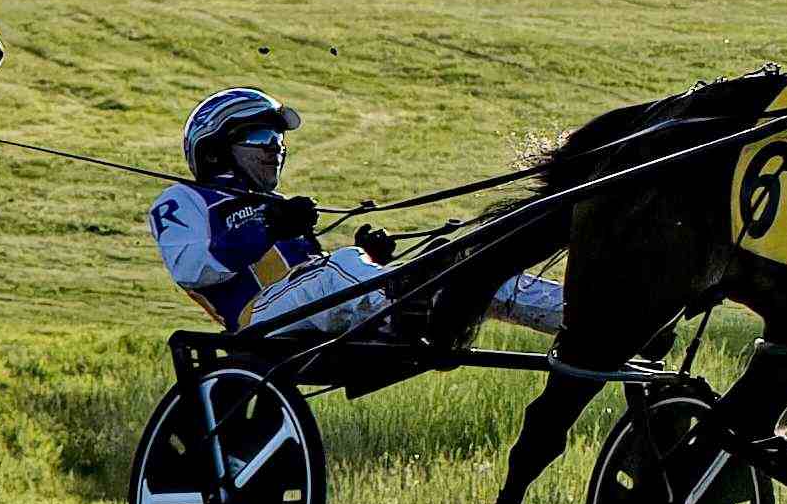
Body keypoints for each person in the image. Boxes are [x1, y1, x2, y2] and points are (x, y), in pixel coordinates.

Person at [153, 88, 560, 348]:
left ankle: (598, 320)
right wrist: (271, 228)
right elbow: (192, 268)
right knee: (340, 268)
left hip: (316, 303)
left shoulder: (276, 205)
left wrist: (372, 258)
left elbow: (310, 277)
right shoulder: (183, 200)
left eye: (278, 140)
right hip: (258, 320)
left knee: (476, 267)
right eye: (261, 137)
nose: (275, 149)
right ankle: (402, 299)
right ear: (216, 150)